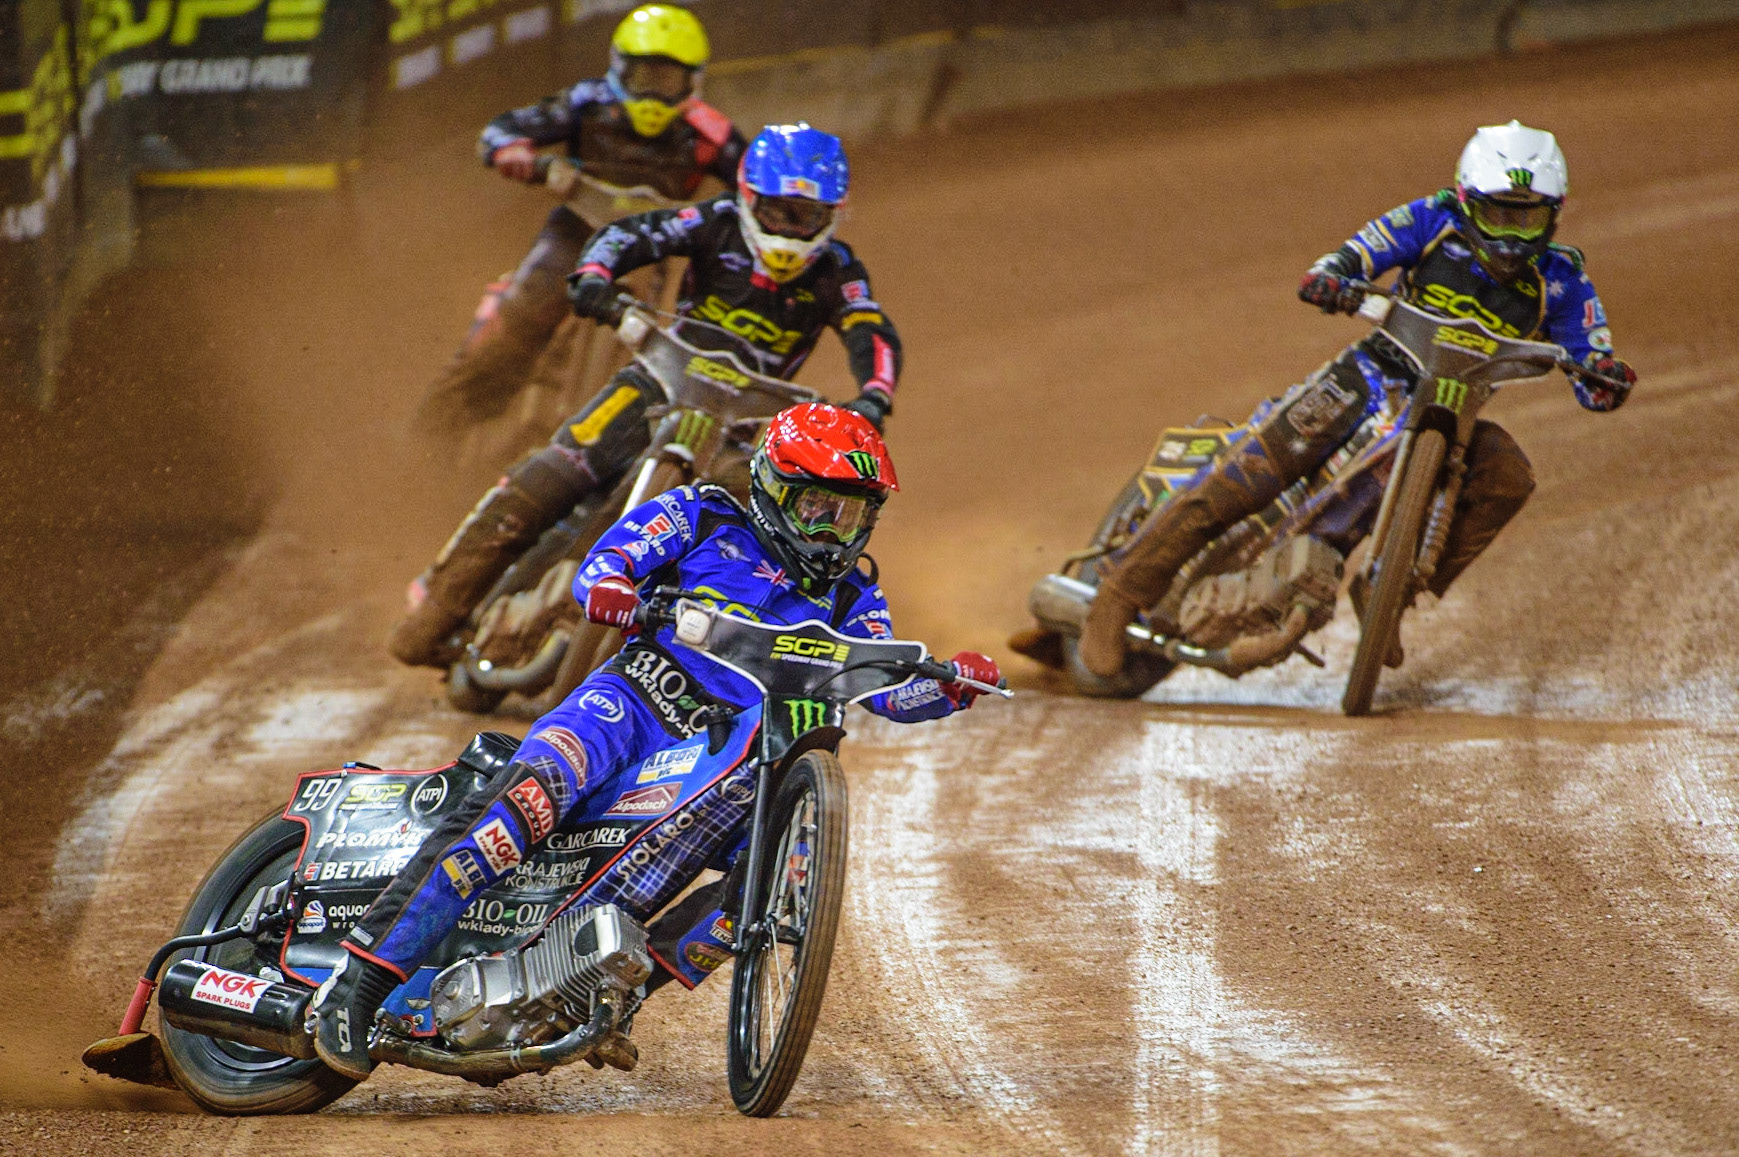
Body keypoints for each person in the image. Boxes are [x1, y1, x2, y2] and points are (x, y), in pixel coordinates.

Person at [313, 404, 1001, 1078]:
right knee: (519, 807)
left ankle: (604, 999)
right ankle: (358, 984)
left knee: (764, 884)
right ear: (771, 486)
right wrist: (616, 589)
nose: (831, 531)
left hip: (727, 758)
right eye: (816, 506)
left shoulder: (855, 595)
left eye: (850, 513)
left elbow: (881, 686)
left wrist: (950, 684)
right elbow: (603, 565)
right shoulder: (701, 513)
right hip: (630, 703)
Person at [1077, 120, 1639, 679]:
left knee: (1509, 477)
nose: (1513, 236)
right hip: (1369, 374)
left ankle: (1393, 594)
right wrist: (1334, 276)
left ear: (1555, 213)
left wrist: (1603, 375)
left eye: (1528, 217)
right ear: (1467, 201)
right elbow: (1357, 252)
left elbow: (1591, 358)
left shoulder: (1563, 280)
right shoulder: (1429, 219)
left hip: (1458, 413)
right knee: (1251, 471)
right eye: (1498, 214)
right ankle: (1121, 593)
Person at [389, 121, 903, 667]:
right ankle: (439, 600)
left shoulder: (839, 269)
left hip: (748, 424)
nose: (792, 231)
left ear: (836, 214)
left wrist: (874, 395)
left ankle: (694, 661)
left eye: (810, 217)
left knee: (744, 534)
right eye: (780, 212)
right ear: (749, 197)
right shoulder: (715, 220)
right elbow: (632, 234)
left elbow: (870, 329)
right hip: (658, 378)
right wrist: (594, 275)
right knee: (555, 471)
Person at [415, 3, 746, 437]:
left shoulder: (713, 133)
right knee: (519, 313)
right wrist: (518, 156)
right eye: (642, 77)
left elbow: (754, 185)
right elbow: (501, 130)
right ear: (620, 70)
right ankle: (439, 425)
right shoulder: (588, 103)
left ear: (691, 82)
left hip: (652, 252)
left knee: (669, 343)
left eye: (665, 79)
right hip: (576, 231)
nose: (650, 93)